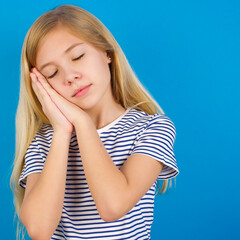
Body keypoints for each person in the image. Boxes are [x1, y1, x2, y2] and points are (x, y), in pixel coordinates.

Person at [10, 4, 179, 240]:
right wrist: (62, 131)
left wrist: (84, 124)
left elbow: (113, 206)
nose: (70, 76)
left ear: (106, 52)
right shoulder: (45, 141)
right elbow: (39, 229)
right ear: (42, 85)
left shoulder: (151, 128)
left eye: (78, 56)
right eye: (52, 73)